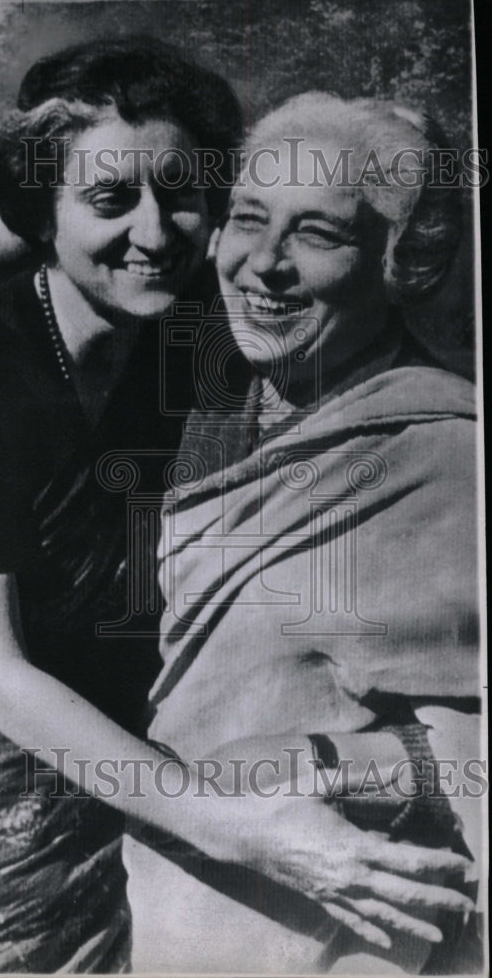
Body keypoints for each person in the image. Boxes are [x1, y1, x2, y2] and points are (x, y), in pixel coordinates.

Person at [0, 43, 476, 974]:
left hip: (133, 778)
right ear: (39, 219)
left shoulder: (202, 310)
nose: (156, 233)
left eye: (185, 197)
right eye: (112, 204)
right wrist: (236, 829)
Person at [124, 92, 483, 973]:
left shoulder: (443, 453)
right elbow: (77, 211)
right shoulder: (203, 392)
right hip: (162, 899)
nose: (264, 266)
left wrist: (317, 760)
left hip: (335, 922)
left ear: (403, 263)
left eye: (319, 235)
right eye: (249, 219)